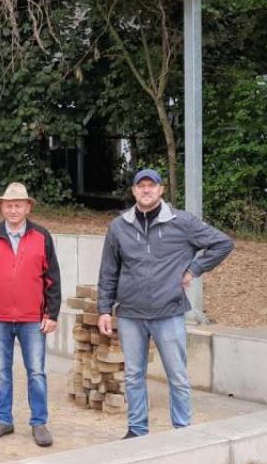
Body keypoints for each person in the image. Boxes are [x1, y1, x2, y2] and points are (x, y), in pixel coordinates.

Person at [97, 169, 234, 439]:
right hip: (130, 314)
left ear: (161, 190)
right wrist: (103, 308)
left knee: (178, 376)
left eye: (152, 186)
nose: (146, 190)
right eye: (141, 186)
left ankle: (181, 430)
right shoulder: (119, 227)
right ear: (134, 191)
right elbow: (108, 271)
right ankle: (137, 430)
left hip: (168, 311)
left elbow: (222, 243)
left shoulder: (181, 222)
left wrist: (194, 268)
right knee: (134, 375)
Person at [0, 182, 62, 447]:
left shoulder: (42, 237)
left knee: (36, 372)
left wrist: (51, 314)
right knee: (1, 372)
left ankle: (39, 423)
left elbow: (52, 279)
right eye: (8, 205)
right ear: (1, 207)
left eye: (18, 205)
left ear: (28, 207)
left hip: (33, 319)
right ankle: (3, 420)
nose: (13, 209)